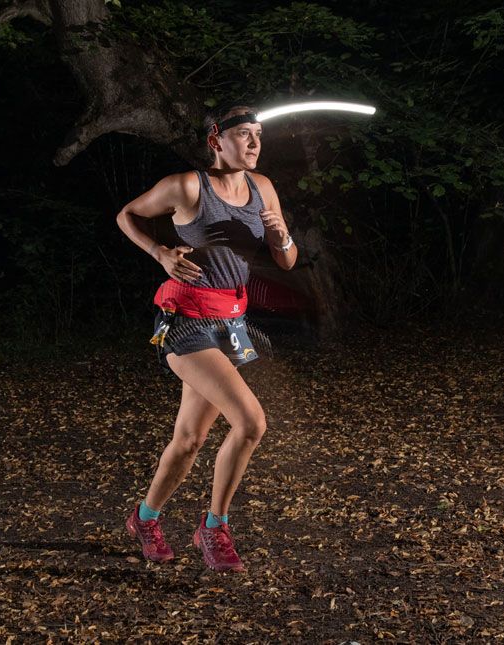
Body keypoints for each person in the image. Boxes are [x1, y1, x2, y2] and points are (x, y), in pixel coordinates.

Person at [115, 105, 297, 572]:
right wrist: (159, 252)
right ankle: (214, 528)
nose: (254, 143)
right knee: (251, 422)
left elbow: (288, 261)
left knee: (190, 439)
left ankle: (145, 518)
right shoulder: (188, 185)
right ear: (217, 140)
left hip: (231, 323)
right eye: (243, 134)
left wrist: (281, 238)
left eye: (258, 134)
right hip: (186, 322)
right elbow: (127, 215)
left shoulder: (264, 189)